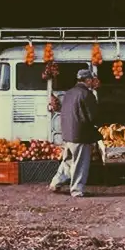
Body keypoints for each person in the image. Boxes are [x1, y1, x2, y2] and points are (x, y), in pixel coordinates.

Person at [50, 68, 101, 198]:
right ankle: (77, 190)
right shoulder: (86, 94)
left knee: (67, 161)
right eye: (91, 80)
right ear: (88, 80)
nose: (92, 82)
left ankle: (55, 183)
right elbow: (93, 116)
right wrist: (100, 126)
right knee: (80, 163)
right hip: (81, 135)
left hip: (67, 134)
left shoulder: (69, 93)